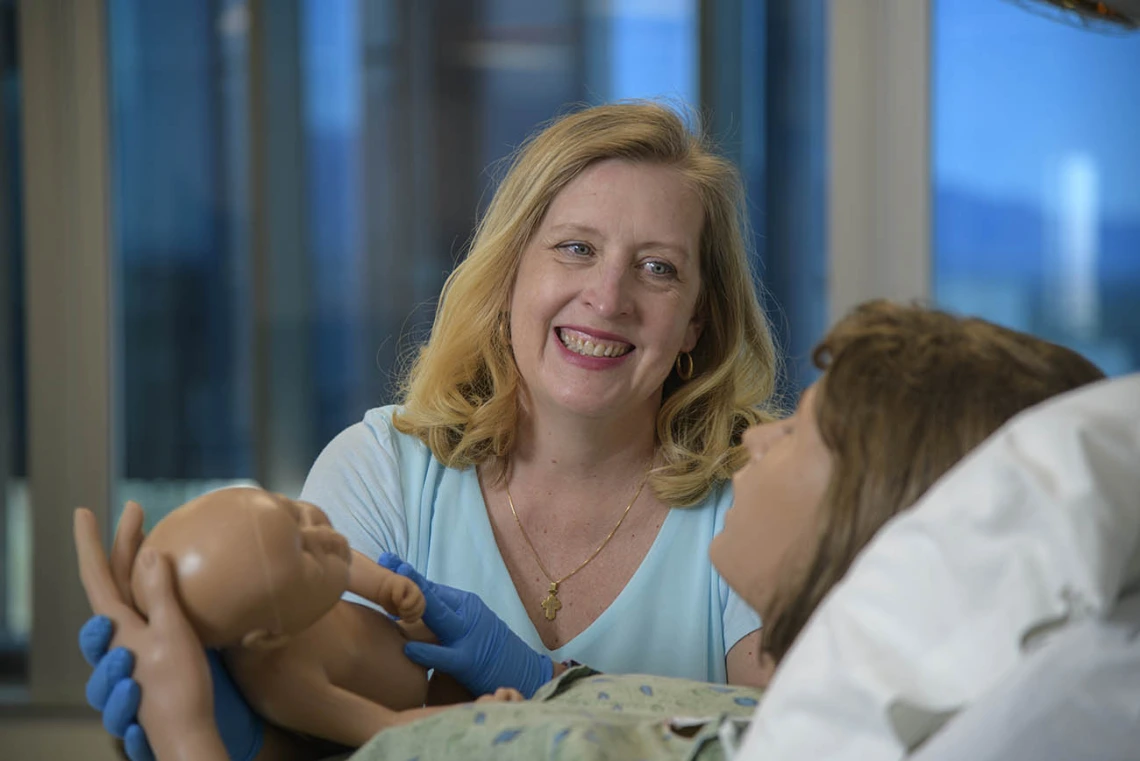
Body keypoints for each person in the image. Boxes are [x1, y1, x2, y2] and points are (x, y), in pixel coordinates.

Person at [82, 300, 1105, 761]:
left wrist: (188, 733)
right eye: (573, 248)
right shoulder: (753, 722)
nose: (758, 438)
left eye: (801, 429)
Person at [79, 100, 780, 760]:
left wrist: (545, 680)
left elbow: (783, 742)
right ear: (510, 275)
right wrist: (233, 733)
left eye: (658, 268)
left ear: (696, 321)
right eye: (575, 248)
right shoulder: (380, 471)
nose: (607, 296)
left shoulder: (756, 503)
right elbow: (327, 728)